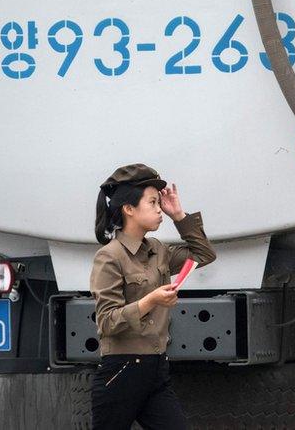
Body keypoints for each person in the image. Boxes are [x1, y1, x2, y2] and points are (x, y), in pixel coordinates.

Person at [89, 163, 216, 430]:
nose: (160, 209)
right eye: (153, 203)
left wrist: (179, 216)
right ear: (129, 209)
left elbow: (204, 255)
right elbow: (107, 322)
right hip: (121, 372)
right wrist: (151, 301)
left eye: (160, 203)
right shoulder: (110, 256)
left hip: (156, 371)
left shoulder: (158, 250)